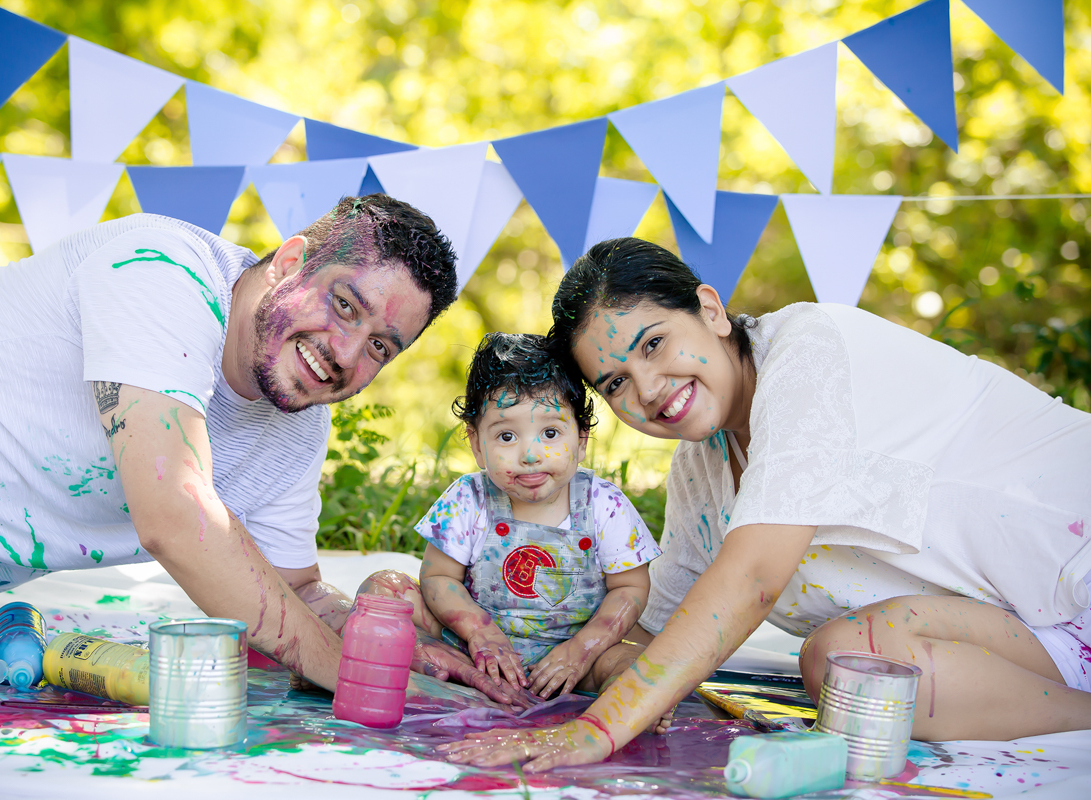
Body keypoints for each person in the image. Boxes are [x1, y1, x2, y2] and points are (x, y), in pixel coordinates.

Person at [439, 237, 1091, 771]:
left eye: (655, 344)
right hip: (1036, 636)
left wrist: (595, 731)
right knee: (854, 667)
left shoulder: (808, 352)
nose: (650, 389)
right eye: (616, 384)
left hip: (1075, 578)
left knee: (842, 658)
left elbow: (748, 580)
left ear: (712, 311)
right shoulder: (703, 465)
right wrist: (562, 652)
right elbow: (660, 624)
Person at [0, 195, 476, 699]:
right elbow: (176, 512)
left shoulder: (297, 426)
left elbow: (291, 593)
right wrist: (341, 669)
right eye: (345, 305)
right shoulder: (162, 271)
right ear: (292, 262)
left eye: (379, 347)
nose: (347, 354)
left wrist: (396, 654)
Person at [410, 332, 660, 700]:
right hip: (470, 650)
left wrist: (583, 651)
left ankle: (637, 706)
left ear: (581, 440)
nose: (530, 454)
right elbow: (436, 577)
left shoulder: (604, 504)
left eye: (550, 432)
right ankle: (454, 671)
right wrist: (480, 633)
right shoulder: (469, 497)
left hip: (575, 659)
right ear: (478, 444)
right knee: (388, 592)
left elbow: (631, 587)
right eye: (507, 436)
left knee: (637, 663)